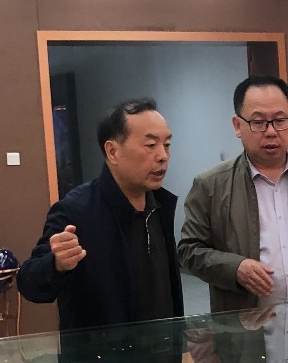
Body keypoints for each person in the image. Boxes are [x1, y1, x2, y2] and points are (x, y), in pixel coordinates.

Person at [178, 75, 288, 312]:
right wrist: (234, 268)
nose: (271, 131)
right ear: (237, 126)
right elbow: (189, 250)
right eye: (258, 122)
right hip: (246, 325)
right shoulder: (211, 185)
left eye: (280, 120)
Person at [18, 98, 183, 330]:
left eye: (166, 145)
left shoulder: (160, 206)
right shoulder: (76, 210)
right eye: (150, 145)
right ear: (112, 151)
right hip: (102, 352)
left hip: (165, 347)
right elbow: (29, 284)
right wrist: (56, 264)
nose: (163, 155)